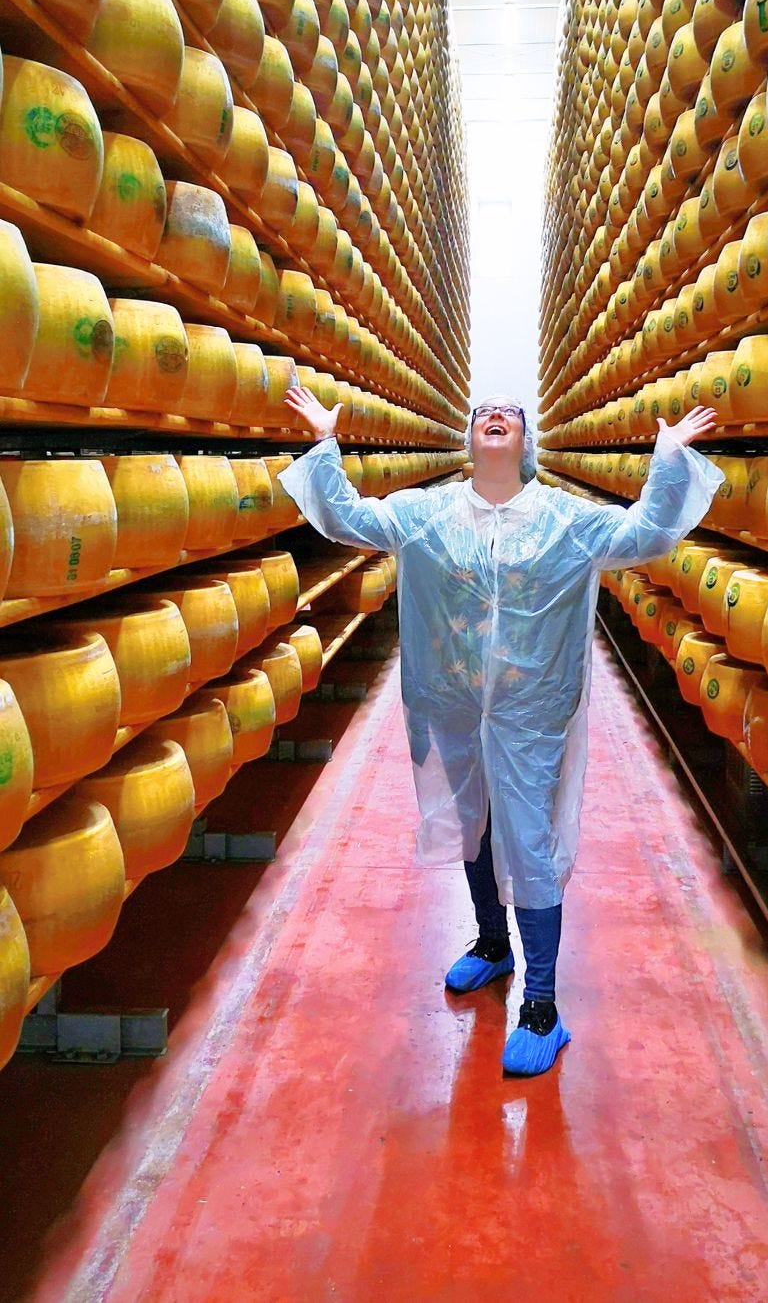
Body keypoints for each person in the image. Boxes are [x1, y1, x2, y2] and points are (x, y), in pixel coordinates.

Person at [279, 385, 722, 1077]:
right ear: (468, 438)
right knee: (473, 825)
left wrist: (668, 458)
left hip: (529, 717)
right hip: (452, 705)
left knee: (531, 843)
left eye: (510, 412)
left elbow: (646, 533)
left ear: (526, 444)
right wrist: (324, 444)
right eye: (483, 409)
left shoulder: (565, 520)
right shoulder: (425, 515)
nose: (495, 414)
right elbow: (345, 519)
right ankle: (493, 944)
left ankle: (542, 1006)